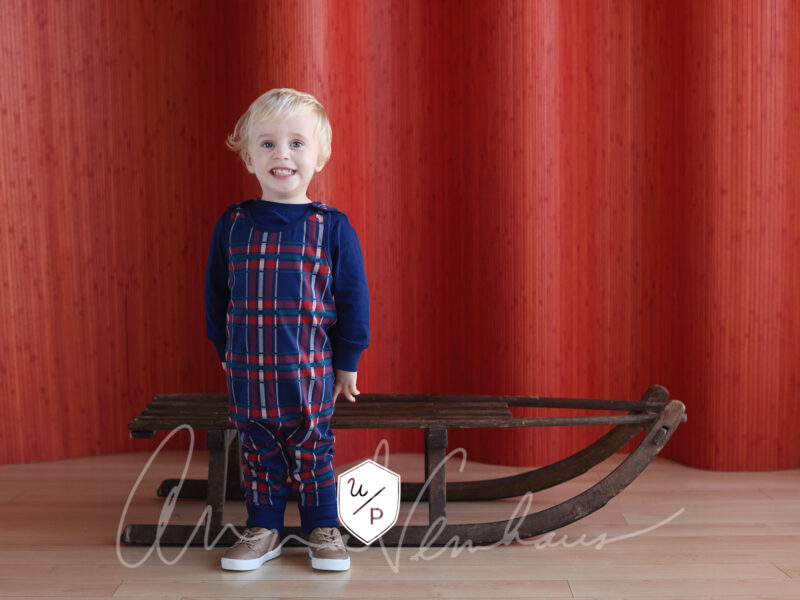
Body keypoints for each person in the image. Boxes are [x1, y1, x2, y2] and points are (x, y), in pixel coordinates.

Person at [204, 88, 369, 572]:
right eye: (268, 144)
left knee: (313, 447)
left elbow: (353, 300)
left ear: (320, 156)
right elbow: (216, 295)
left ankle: (322, 525)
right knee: (257, 451)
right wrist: (222, 349)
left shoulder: (331, 227)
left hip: (310, 371)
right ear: (248, 155)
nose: (283, 155)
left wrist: (347, 362)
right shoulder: (232, 224)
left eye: (298, 143)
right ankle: (265, 528)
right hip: (248, 371)